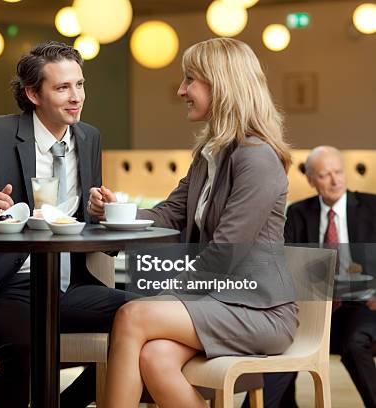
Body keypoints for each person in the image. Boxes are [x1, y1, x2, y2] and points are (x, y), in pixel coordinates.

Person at [88, 38, 298, 408]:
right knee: (155, 358)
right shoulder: (209, 155)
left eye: (190, 80)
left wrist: (163, 294)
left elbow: (224, 255)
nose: (182, 90)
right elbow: (167, 214)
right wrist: (115, 214)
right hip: (219, 302)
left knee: (131, 314)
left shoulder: (257, 159)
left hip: (259, 312)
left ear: (222, 84)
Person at [0, 41, 134, 408]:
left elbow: (85, 221)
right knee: (28, 350)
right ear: (33, 93)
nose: (76, 97)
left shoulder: (88, 137)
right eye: (62, 88)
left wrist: (98, 212)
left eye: (79, 85)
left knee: (144, 321)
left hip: (69, 286)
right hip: (4, 286)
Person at [253, 146, 376, 408]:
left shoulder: (372, 207)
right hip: (310, 309)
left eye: (339, 172)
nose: (335, 180)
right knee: (281, 342)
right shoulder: (297, 214)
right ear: (310, 179)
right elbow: (283, 265)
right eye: (325, 175)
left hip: (362, 307)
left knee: (355, 344)